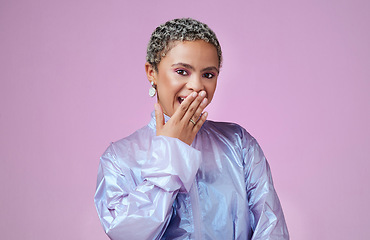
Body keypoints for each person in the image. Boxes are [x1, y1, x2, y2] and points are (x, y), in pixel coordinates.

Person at [94, 18, 289, 240]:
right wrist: (171, 151)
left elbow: (271, 229)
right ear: (152, 73)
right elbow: (127, 233)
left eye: (208, 74)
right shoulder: (119, 158)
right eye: (182, 71)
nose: (197, 86)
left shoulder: (239, 143)